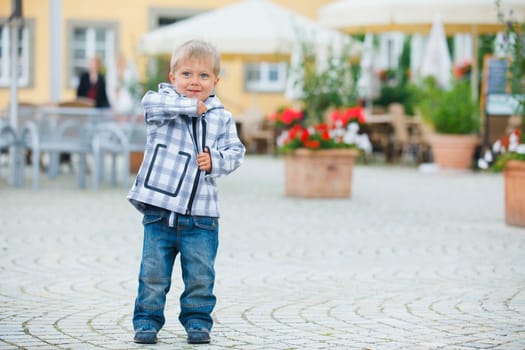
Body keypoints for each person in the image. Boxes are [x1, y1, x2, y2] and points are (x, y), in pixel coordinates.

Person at [127, 39, 245, 345]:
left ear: (216, 81)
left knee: (200, 277)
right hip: (160, 211)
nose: (195, 81)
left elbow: (236, 151)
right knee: (153, 274)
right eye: (187, 74)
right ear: (172, 77)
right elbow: (148, 103)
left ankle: (197, 322)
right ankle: (146, 322)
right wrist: (191, 106)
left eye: (204, 76)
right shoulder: (162, 105)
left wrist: (215, 161)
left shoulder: (222, 116)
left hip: (202, 217)